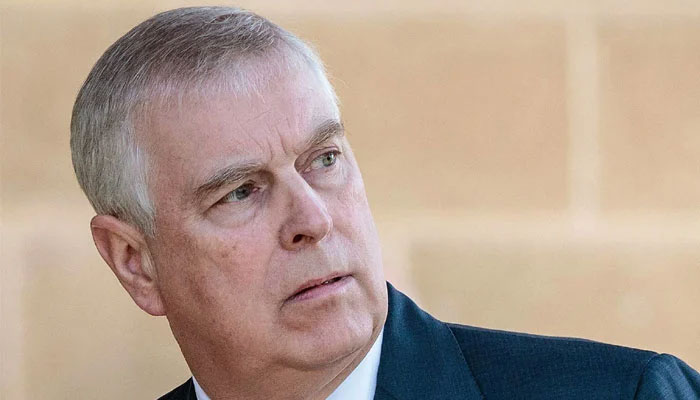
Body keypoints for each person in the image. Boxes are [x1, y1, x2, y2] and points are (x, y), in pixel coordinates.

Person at [70, 6, 700, 400]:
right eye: (241, 192)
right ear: (135, 262)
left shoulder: (624, 393)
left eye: (324, 160)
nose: (313, 220)